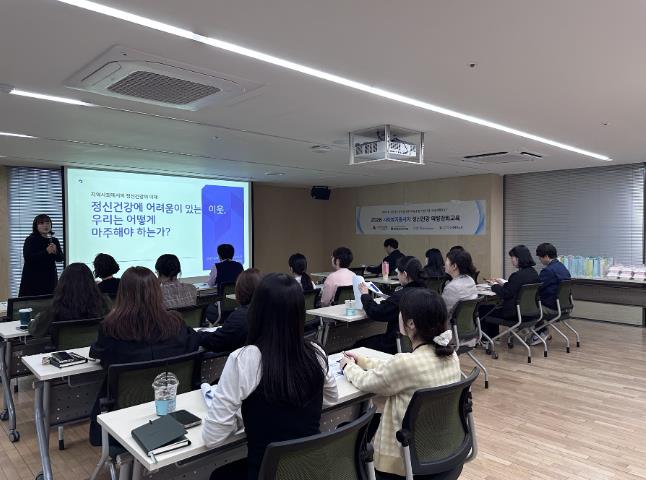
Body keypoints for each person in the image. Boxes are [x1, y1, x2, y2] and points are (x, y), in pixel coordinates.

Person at [202, 273, 338, 480]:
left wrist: (244, 415)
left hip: (266, 473)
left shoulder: (243, 359)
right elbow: (331, 399)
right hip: (311, 471)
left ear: (256, 311)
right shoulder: (316, 353)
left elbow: (212, 438)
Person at [340, 288, 462, 479]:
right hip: (439, 450)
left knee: (350, 431)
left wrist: (348, 367)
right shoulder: (451, 355)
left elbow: (366, 381)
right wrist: (363, 361)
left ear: (411, 323)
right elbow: (394, 369)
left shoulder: (407, 364)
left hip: (402, 463)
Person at [88, 266, 200, 446]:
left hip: (125, 415)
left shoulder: (111, 328)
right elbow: (194, 342)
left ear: (123, 293)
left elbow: (100, 355)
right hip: (173, 406)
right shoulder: (175, 323)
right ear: (157, 292)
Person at [354, 256, 426, 354]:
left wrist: (365, 295)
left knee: (358, 345)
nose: (397, 276)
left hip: (396, 344)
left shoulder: (402, 296)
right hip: (420, 343)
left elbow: (376, 312)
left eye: (398, 273)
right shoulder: (428, 292)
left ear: (405, 274)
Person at [28, 263, 111, 338]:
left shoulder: (55, 309)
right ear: (91, 282)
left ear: (63, 284)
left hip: (64, 350)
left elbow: (35, 331)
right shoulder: (103, 303)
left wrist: (35, 319)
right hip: (94, 348)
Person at [480, 245, 540, 339]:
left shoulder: (517, 275)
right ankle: (494, 337)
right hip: (531, 313)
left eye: (512, 257)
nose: (512, 260)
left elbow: (506, 294)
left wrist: (494, 285)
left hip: (514, 314)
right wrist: (501, 283)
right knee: (490, 308)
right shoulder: (533, 273)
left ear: (519, 258)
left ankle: (488, 339)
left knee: (483, 309)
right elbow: (514, 287)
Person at [199, 268, 262, 353]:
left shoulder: (241, 317)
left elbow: (217, 342)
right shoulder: (272, 310)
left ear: (240, 291)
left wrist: (197, 335)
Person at [527, 243, 571, 345]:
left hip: (552, 307)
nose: (540, 260)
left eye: (540, 257)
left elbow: (536, 288)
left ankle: (540, 332)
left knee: (527, 307)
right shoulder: (562, 267)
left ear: (546, 256)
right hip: (563, 306)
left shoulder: (548, 271)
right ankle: (542, 331)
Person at [18, 214, 64, 296]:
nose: (45, 225)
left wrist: (56, 251)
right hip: (33, 280)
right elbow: (28, 258)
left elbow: (60, 258)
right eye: (41, 223)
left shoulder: (54, 240)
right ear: (36, 226)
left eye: (47, 223)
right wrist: (46, 252)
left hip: (50, 279)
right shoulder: (30, 240)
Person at [442, 249, 479, 314]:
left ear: (454, 266)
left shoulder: (451, 287)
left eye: (446, 260)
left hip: (451, 320)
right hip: (468, 320)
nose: (444, 264)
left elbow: (442, 312)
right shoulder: (470, 280)